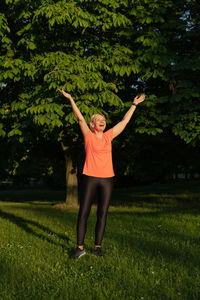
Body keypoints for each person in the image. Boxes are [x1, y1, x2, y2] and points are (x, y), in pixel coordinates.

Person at [58, 89, 145, 258]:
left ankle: (97, 247)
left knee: (102, 213)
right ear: (92, 124)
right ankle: (80, 248)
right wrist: (70, 99)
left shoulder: (108, 136)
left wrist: (134, 104)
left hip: (107, 179)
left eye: (103, 120)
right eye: (98, 120)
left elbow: (124, 121)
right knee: (84, 211)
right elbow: (79, 117)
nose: (102, 121)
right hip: (90, 177)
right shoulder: (88, 136)